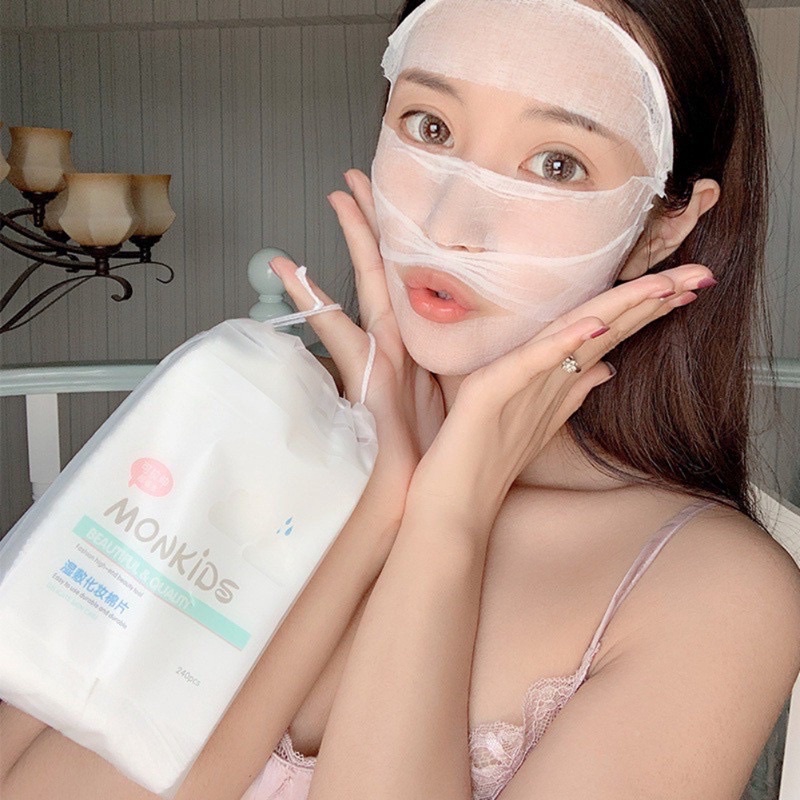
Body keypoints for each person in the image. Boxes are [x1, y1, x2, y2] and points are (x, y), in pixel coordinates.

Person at [1, 0, 799, 798]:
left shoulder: (713, 593)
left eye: (557, 164)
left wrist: (445, 526)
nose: (450, 223)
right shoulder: (241, 427)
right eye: (431, 126)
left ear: (664, 227)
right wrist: (381, 509)